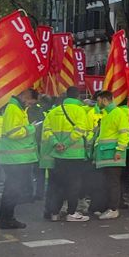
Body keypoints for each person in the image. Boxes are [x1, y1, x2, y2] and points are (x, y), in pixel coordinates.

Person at [42, 86, 92, 222]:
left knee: (58, 184)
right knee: (73, 185)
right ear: (77, 97)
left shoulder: (54, 111)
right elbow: (81, 129)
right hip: (74, 154)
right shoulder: (80, 111)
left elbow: (46, 130)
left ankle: (54, 213)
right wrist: (67, 143)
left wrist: (56, 143)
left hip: (58, 155)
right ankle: (71, 212)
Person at [0, 89, 39, 229]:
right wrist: (31, 129)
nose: (29, 105)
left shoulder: (18, 108)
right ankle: (5, 219)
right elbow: (13, 132)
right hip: (15, 158)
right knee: (12, 190)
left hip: (17, 158)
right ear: (25, 96)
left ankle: (7, 218)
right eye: (29, 102)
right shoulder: (14, 109)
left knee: (13, 190)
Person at [93, 90, 129, 220]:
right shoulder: (106, 114)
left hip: (113, 155)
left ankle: (113, 208)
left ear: (104, 100)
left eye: (98, 101)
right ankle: (107, 207)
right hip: (105, 155)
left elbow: (124, 133)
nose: (97, 104)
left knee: (113, 182)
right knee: (106, 182)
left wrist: (119, 150)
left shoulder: (117, 113)